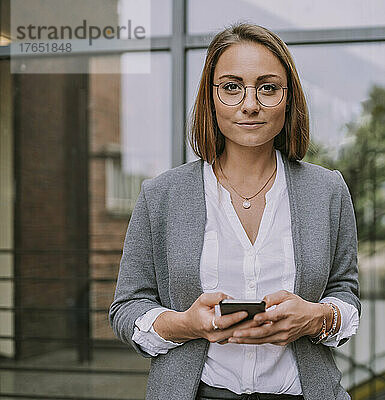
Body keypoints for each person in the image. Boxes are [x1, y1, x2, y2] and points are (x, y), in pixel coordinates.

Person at [109, 23, 360, 400]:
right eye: (231, 87)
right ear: (210, 98)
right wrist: (185, 324)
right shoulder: (161, 195)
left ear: (288, 98)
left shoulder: (327, 190)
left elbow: (346, 293)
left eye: (268, 87)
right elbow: (127, 308)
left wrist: (316, 317)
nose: (250, 104)